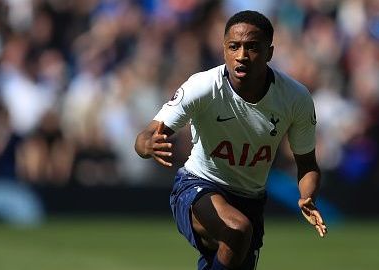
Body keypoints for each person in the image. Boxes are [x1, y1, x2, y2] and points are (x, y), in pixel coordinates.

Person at [135, 10, 327, 270]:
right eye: (233, 47)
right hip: (198, 185)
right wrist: (146, 145)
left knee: (234, 243)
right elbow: (148, 134)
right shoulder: (203, 87)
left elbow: (307, 164)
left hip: (251, 200)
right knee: (237, 229)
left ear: (269, 53)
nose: (241, 56)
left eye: (252, 47)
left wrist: (307, 196)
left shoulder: (295, 98)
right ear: (223, 49)